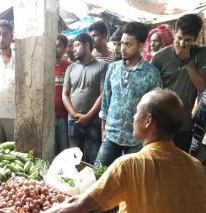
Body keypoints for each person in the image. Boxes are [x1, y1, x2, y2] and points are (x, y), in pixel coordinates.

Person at [0, 89, 206, 213]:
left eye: (137, 111)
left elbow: (77, 205)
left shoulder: (131, 164)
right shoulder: (194, 166)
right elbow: (171, 207)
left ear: (148, 121)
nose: (132, 116)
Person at [95, 22, 162, 167]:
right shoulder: (113, 68)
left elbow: (155, 110)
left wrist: (148, 139)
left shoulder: (151, 74)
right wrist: (103, 130)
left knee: (132, 183)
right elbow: (106, 101)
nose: (123, 48)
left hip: (136, 140)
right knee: (97, 175)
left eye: (128, 44)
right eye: (122, 43)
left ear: (140, 46)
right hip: (111, 136)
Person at [152, 14, 206, 152]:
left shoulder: (201, 53)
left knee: (178, 168)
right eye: (179, 38)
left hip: (184, 125)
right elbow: (151, 92)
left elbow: (201, 86)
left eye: (188, 40)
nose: (182, 44)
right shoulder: (160, 57)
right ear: (174, 33)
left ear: (195, 38)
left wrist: (187, 60)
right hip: (161, 124)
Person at [62, 33, 108, 164]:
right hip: (73, 121)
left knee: (95, 159)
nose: (73, 49)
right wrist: (73, 114)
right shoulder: (71, 67)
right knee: (75, 159)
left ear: (87, 45)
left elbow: (103, 94)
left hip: (92, 121)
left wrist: (87, 116)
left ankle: (96, 184)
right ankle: (77, 184)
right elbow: (65, 94)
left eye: (77, 45)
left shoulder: (102, 66)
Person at [54, 34, 71, 154]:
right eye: (53, 46)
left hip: (63, 117)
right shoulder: (44, 65)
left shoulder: (70, 66)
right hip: (48, 117)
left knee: (64, 150)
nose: (55, 49)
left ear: (65, 49)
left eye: (59, 46)